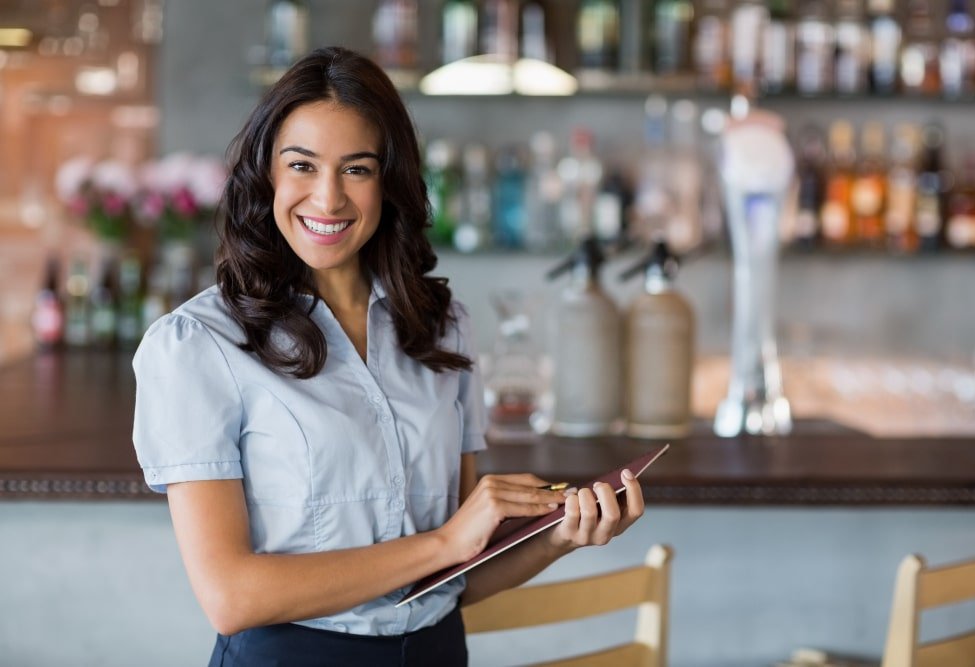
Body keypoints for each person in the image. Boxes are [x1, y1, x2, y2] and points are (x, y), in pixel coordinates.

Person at [132, 45, 645, 667]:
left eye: (356, 169)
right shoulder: (199, 344)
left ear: (389, 181)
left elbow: (458, 576)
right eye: (302, 165)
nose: (327, 199)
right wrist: (447, 540)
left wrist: (558, 538)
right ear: (266, 173)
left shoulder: (441, 325)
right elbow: (230, 597)